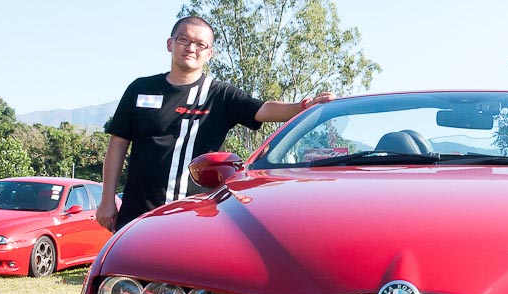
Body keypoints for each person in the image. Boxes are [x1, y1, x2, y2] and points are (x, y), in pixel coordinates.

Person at [95, 16, 334, 232]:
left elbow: (262, 109)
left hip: (195, 217)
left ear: (209, 53)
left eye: (200, 44)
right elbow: (117, 145)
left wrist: (304, 106)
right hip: (138, 215)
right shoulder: (141, 88)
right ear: (170, 44)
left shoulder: (219, 95)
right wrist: (107, 200)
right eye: (183, 40)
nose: (191, 48)